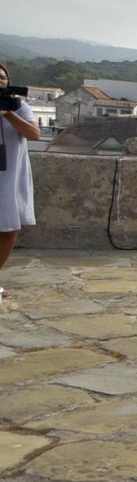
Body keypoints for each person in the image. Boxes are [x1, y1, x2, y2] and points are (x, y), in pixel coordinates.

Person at [0, 63, 41, 304]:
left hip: (10, 176)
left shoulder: (19, 106)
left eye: (3, 78)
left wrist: (8, 113)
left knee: (8, 229)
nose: (0, 82)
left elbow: (34, 134)